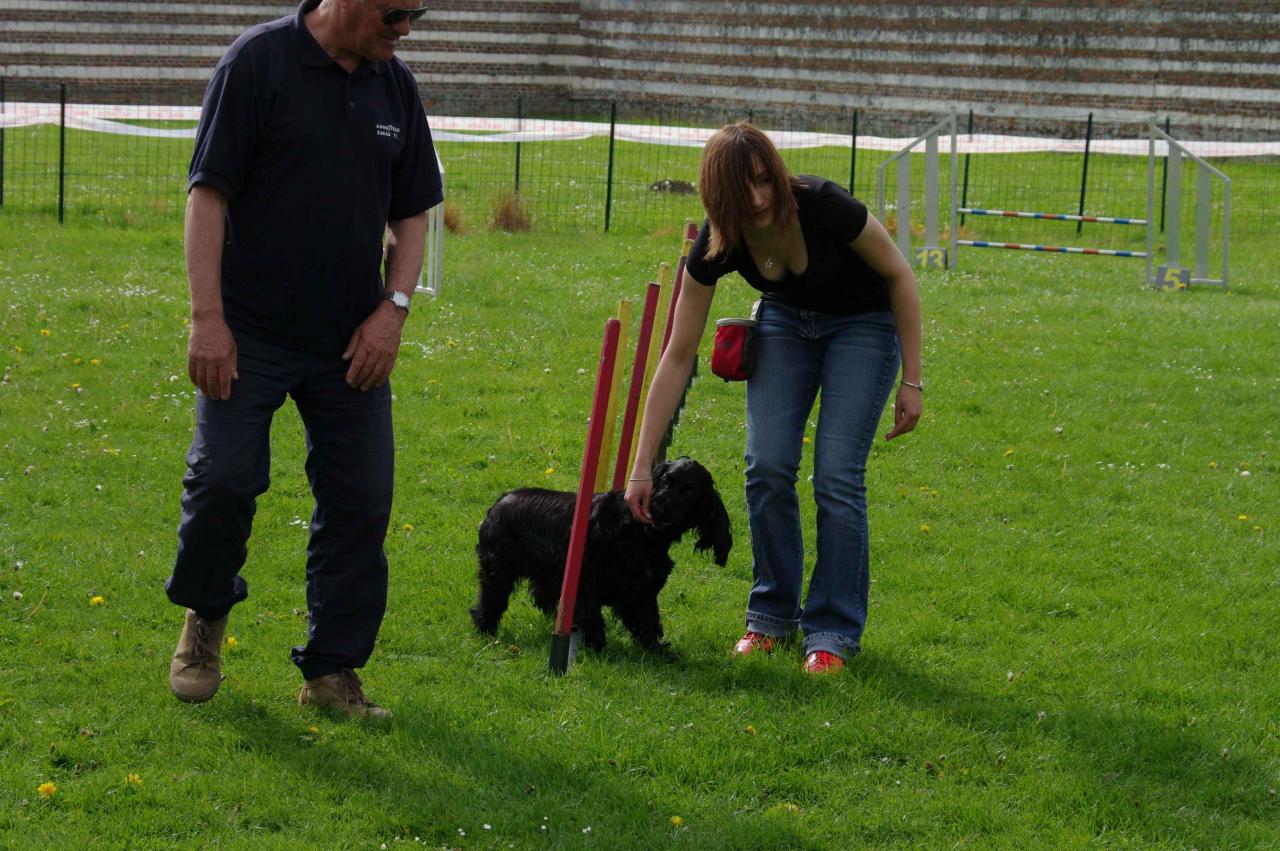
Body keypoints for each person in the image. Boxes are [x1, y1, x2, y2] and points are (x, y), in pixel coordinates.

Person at [164, 0, 442, 718]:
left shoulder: (395, 86)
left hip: (351, 341)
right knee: (223, 477)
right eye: (397, 11)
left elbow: (413, 213)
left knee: (362, 498)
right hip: (248, 332)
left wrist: (394, 309)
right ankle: (205, 616)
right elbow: (208, 196)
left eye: (420, 12)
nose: (407, 26)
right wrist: (207, 319)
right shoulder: (257, 64)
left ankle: (332, 669)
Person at [625, 122, 922, 674]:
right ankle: (771, 619)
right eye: (743, 189)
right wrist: (642, 466)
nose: (759, 198)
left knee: (835, 473)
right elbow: (677, 352)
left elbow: (900, 275)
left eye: (766, 180)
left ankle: (832, 631)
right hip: (786, 322)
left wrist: (913, 380)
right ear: (720, 198)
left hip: (864, 324)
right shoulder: (717, 241)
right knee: (766, 466)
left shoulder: (824, 205)